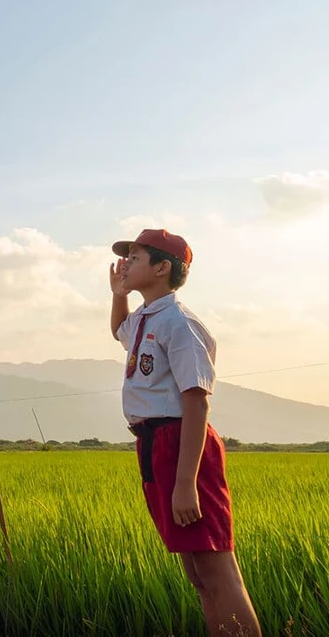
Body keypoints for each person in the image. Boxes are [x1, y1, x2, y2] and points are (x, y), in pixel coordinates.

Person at [110, 228, 260, 637]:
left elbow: (196, 403)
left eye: (135, 258)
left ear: (162, 268)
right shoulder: (145, 316)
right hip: (155, 444)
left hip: (183, 444)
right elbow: (119, 331)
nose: (126, 264)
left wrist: (185, 484)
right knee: (196, 571)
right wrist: (118, 292)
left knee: (216, 568)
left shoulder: (180, 323)